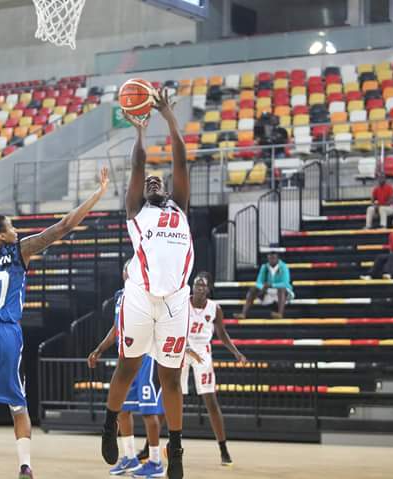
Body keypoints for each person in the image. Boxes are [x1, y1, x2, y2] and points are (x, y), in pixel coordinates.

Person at [0, 167, 109, 479]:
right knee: (18, 406)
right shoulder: (21, 251)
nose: (15, 229)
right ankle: (25, 466)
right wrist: (97, 194)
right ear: (2, 235)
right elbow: (64, 226)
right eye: (11, 226)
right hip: (7, 334)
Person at [102, 89, 192, 479]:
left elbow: (180, 156)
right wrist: (140, 131)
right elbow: (140, 164)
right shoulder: (136, 211)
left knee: (169, 378)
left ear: (169, 193)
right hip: (139, 296)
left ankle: (176, 447)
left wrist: (169, 116)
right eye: (149, 181)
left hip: (175, 300)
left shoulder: (180, 209)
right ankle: (109, 425)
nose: (154, 181)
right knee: (127, 366)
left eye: (160, 181)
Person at [88, 263, 165, 477]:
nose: (130, 271)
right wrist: (99, 348)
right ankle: (130, 457)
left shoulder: (150, 293)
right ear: (123, 273)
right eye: (127, 268)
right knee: (122, 409)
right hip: (126, 357)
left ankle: (156, 461)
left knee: (149, 412)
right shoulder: (120, 295)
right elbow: (116, 327)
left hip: (147, 356)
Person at [182, 273, 246, 467]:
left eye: (203, 286)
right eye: (196, 285)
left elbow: (223, 334)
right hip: (184, 350)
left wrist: (236, 353)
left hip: (202, 352)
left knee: (210, 400)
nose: (199, 288)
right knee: (173, 397)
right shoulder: (183, 304)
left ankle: (223, 449)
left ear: (208, 289)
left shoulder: (214, 308)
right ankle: (153, 445)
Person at [238, 252, 294, 319]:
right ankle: (243, 313)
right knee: (253, 289)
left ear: (278, 259)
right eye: (269, 258)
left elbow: (285, 283)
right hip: (268, 291)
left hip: (283, 293)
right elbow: (259, 282)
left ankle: (280, 313)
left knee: (281, 288)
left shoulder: (284, 266)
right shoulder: (264, 267)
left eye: (273, 258)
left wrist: (271, 285)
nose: (271, 260)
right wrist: (263, 287)